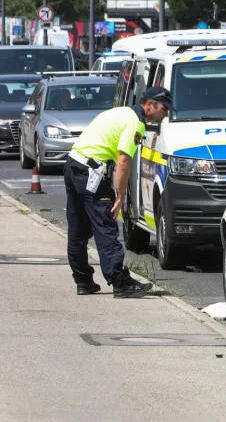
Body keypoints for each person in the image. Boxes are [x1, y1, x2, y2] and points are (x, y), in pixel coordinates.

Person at [65, 87, 172, 297]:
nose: (166, 113)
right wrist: (121, 196)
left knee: (77, 229)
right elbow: (123, 162)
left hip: (74, 165)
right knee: (106, 224)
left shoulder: (122, 112)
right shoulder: (136, 123)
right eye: (164, 108)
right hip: (91, 171)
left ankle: (83, 281)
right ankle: (120, 282)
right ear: (149, 104)